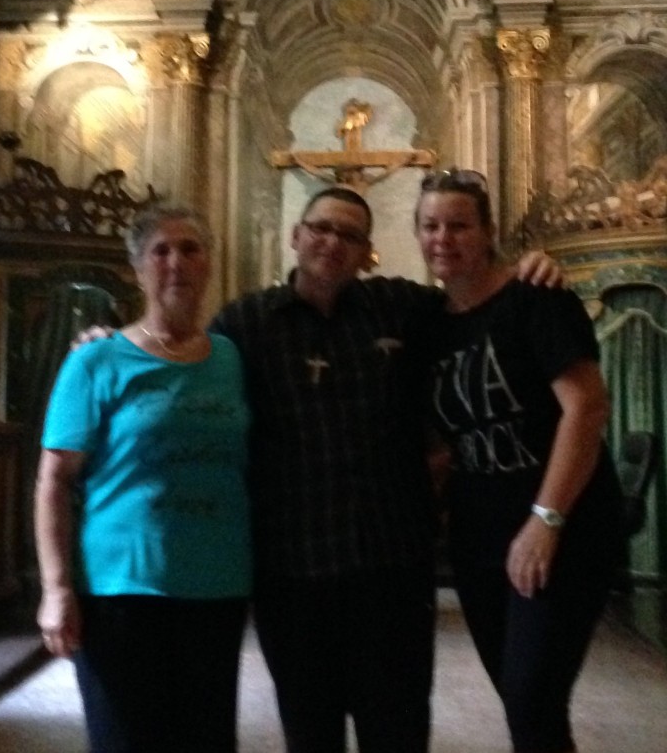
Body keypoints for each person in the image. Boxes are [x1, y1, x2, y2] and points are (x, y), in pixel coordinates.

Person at [73, 185, 559, 753]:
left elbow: (475, 299)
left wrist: (529, 269)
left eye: (350, 235)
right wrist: (108, 342)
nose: (332, 242)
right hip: (292, 576)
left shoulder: (402, 308)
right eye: (321, 228)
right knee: (310, 736)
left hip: (391, 571)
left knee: (398, 734)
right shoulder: (245, 324)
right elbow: (180, 355)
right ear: (295, 237)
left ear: (367, 252)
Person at [414, 169, 624, 753]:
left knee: (534, 700)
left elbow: (586, 407)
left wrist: (545, 521)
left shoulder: (536, 298)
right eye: (430, 226)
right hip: (479, 532)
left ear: (488, 232)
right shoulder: (430, 323)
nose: (443, 238)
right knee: (520, 699)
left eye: (459, 225)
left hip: (563, 523)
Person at [34, 205, 252, 753]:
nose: (176, 262)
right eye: (161, 251)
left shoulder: (232, 358)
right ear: (137, 269)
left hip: (216, 586)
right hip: (120, 591)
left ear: (209, 264)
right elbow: (54, 481)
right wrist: (56, 589)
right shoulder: (96, 361)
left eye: (190, 249)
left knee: (206, 742)